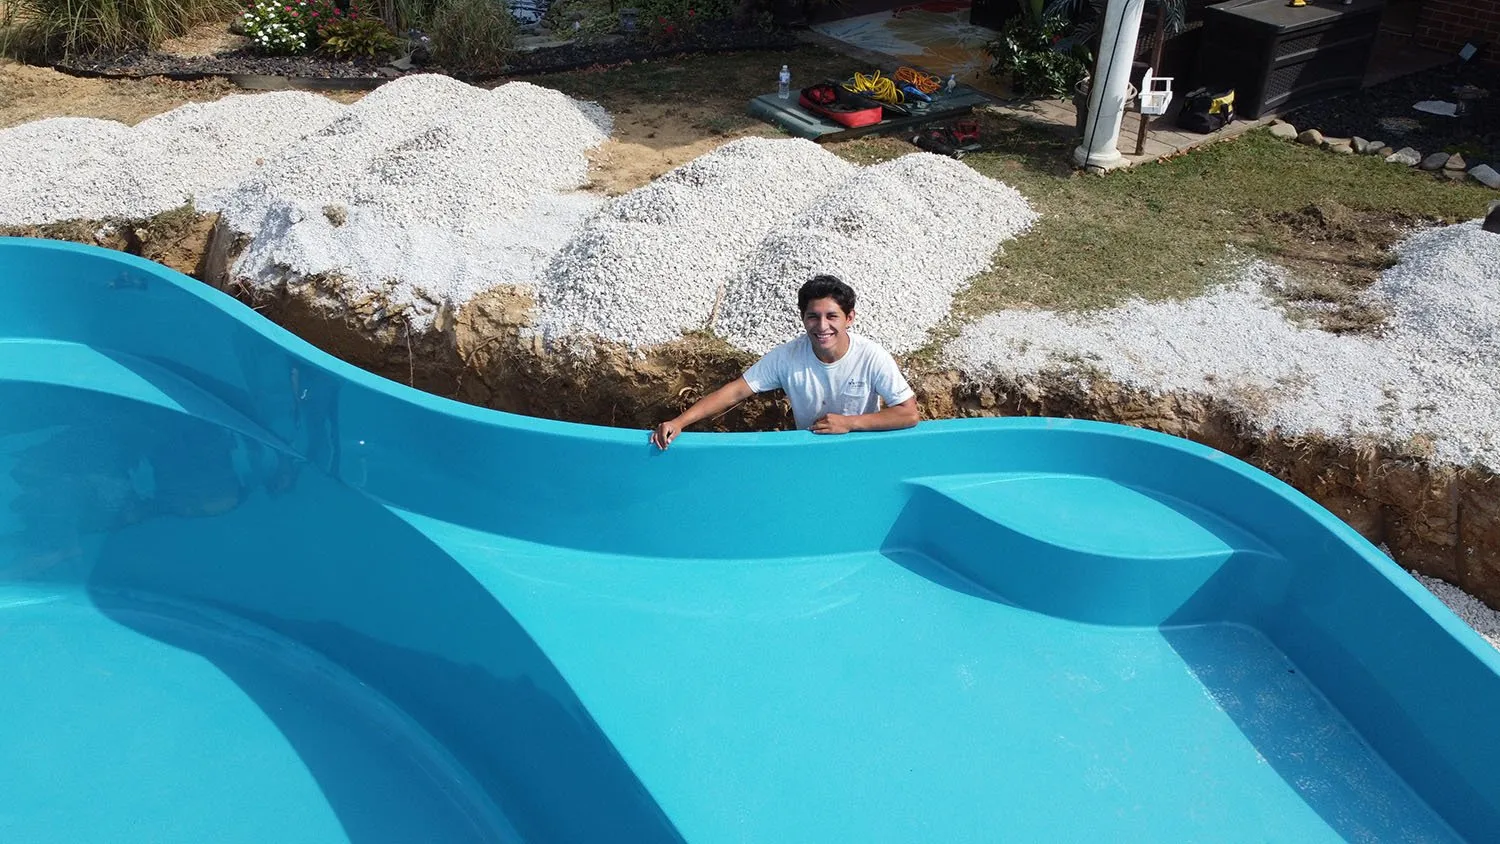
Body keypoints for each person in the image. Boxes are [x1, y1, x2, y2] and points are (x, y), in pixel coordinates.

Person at [651, 275, 919, 450]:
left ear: (849, 318)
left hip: (859, 451)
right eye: (813, 316)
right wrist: (680, 422)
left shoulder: (871, 356)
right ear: (802, 318)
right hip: (807, 450)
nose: (822, 326)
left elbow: (908, 413)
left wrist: (849, 423)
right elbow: (736, 391)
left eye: (832, 316)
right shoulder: (787, 357)